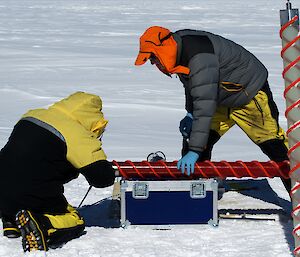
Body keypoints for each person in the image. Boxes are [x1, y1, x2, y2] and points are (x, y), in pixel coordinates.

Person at [134, 26, 290, 191]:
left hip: (248, 94)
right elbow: (192, 86)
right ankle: (196, 197)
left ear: (162, 50)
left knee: (276, 149)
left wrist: (194, 150)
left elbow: (204, 101)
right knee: (195, 139)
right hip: (220, 95)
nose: (153, 63)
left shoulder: (199, 57)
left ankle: (298, 200)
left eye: (153, 58)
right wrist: (190, 113)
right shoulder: (178, 49)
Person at [0, 92, 116, 252]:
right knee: (74, 220)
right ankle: (43, 224)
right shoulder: (77, 133)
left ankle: (11, 222)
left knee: (18, 178)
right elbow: (102, 178)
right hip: (31, 194)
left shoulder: (32, 115)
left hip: (3, 193)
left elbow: (43, 162)